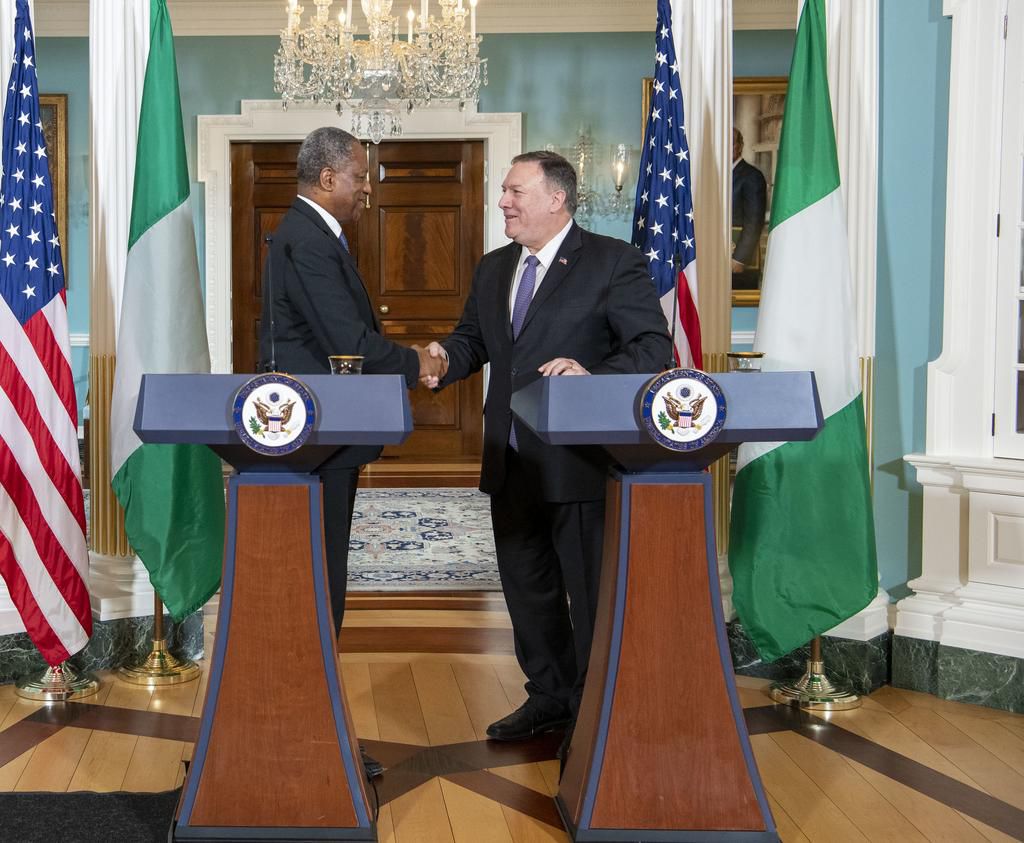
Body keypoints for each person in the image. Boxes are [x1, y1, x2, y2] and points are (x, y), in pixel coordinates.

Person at [423, 151, 671, 750]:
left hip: (578, 464)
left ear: (556, 198)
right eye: (505, 192)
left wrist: (591, 373)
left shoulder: (614, 263)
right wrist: (440, 361)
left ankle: (594, 712)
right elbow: (474, 341)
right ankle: (550, 697)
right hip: (509, 460)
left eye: (514, 191)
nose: (503, 201)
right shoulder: (492, 269)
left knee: (586, 596)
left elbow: (650, 349)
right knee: (527, 592)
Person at [258, 127, 445, 640]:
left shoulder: (310, 234)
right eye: (359, 178)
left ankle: (315, 670)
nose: (367, 189)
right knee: (320, 558)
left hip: (322, 428)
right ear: (326, 177)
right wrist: (416, 363)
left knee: (323, 556)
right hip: (317, 431)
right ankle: (313, 671)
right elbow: (348, 343)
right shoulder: (309, 240)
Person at [731, 128, 768, 290]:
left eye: (731, 143)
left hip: (739, 263)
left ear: (739, 146)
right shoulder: (717, 174)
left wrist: (739, 259)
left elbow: (754, 221)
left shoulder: (752, 176)